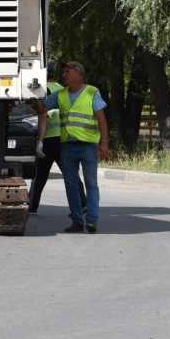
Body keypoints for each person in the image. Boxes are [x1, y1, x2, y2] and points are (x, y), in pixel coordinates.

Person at [40, 60, 110, 233]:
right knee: (71, 185)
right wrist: (34, 93)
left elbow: (101, 119)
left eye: (67, 71)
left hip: (88, 146)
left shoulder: (91, 92)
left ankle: (92, 219)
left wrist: (104, 144)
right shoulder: (60, 95)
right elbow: (41, 109)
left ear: (78, 73)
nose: (64, 75)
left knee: (91, 183)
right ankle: (78, 221)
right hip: (68, 147)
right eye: (63, 72)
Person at [28, 62, 86, 214]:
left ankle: (32, 205)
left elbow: (42, 115)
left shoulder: (42, 90)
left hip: (49, 138)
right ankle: (83, 202)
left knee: (40, 174)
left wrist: (39, 141)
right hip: (63, 137)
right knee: (70, 172)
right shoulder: (61, 88)